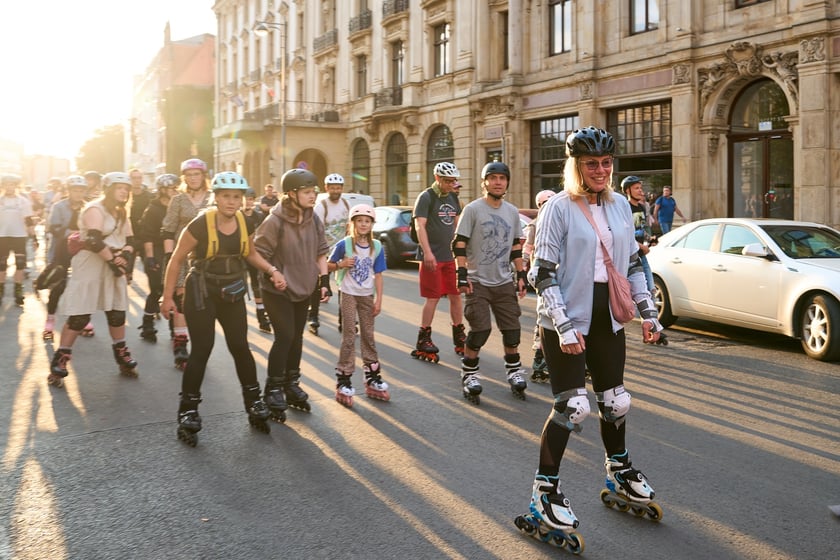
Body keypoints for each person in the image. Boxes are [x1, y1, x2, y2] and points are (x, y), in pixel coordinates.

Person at [521, 127, 663, 539]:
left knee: (616, 401)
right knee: (572, 407)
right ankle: (544, 493)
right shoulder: (559, 208)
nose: (600, 170)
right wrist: (563, 325)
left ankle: (619, 470)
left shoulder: (620, 204)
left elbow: (633, 265)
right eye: (591, 164)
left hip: (609, 317)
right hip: (566, 319)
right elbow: (541, 273)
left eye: (605, 163)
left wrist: (648, 313)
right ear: (576, 166)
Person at [161, 171, 281, 446]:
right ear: (216, 197)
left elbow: (250, 253)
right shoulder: (200, 223)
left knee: (240, 347)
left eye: (236, 197)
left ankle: (254, 402)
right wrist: (166, 298)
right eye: (226, 196)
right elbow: (177, 259)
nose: (231, 202)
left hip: (232, 291)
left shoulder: (244, 220)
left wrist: (272, 270)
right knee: (202, 349)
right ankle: (188, 410)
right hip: (201, 292)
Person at [48, 172, 139, 387]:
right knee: (80, 316)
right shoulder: (94, 209)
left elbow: (131, 239)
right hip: (90, 264)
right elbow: (94, 240)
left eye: (127, 188)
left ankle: (121, 354)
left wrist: (125, 255)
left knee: (117, 313)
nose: (124, 192)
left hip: (113, 261)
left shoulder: (121, 212)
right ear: (109, 189)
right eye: (119, 188)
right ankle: (61, 359)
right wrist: (114, 261)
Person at [253, 168, 331, 420]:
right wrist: (273, 273)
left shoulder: (313, 218)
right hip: (278, 289)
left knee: (297, 337)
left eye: (314, 192)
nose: (313, 196)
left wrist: (325, 281)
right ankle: (273, 387)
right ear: (291, 194)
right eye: (308, 192)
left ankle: (290, 383)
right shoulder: (274, 221)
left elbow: (321, 251)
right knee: (284, 336)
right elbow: (257, 254)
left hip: (304, 286)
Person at [452, 161, 528, 404]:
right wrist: (461, 274)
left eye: (502, 178)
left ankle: (514, 372)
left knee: (512, 331)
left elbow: (516, 246)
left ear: (507, 182)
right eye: (493, 178)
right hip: (477, 280)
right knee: (480, 330)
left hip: (503, 280)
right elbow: (459, 243)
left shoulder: (512, 211)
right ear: (484, 182)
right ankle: (469, 375)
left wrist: (521, 275)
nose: (497, 182)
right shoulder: (473, 209)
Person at [327, 204, 388, 407]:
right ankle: (343, 377)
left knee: (369, 335)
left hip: (366, 295)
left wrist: (379, 299)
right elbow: (326, 265)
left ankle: (372, 376)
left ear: (371, 225)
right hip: (348, 293)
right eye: (360, 221)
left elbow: (378, 275)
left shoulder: (376, 246)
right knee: (349, 335)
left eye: (367, 221)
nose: (363, 224)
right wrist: (341, 264)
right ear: (352, 223)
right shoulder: (344, 244)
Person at [161, 158, 212, 370]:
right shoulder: (178, 200)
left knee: (204, 303)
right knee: (182, 299)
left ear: (203, 176)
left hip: (208, 257)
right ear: (184, 178)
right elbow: (168, 229)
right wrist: (169, 256)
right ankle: (181, 345)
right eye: (189, 175)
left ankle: (200, 345)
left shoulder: (213, 198)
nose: (193, 178)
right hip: (183, 256)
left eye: (197, 174)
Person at [411, 161, 465, 362]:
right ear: (438, 179)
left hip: (450, 257)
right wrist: (427, 253)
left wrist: (463, 252)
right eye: (448, 181)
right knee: (432, 298)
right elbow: (420, 227)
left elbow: (458, 225)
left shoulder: (453, 196)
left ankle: (459, 335)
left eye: (454, 181)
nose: (452, 184)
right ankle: (423, 337)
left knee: (456, 295)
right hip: (431, 257)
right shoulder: (426, 197)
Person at [40, 176, 87, 340]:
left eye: (81, 190)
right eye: (75, 190)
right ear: (69, 191)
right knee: (58, 288)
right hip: (60, 251)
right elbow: (54, 229)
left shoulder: (88, 207)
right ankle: (50, 322)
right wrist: (77, 234)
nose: (79, 193)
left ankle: (82, 321)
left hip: (82, 253)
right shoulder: (59, 206)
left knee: (81, 287)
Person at [135, 173, 180, 342]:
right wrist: (151, 258)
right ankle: (147, 325)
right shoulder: (153, 209)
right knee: (157, 290)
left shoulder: (178, 206)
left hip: (174, 250)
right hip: (156, 251)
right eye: (171, 188)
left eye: (176, 188)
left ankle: (174, 329)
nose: (175, 191)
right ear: (162, 190)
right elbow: (147, 236)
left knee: (176, 291)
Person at [309, 172, 350, 335]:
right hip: (323, 250)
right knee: (318, 283)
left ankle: (345, 319)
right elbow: (315, 229)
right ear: (326, 188)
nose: (335, 191)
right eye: (332, 188)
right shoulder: (321, 206)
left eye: (338, 188)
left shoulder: (346, 204)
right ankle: (313, 316)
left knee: (344, 284)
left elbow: (348, 226)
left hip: (340, 248)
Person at [523, 189, 556, 382]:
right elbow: (528, 246)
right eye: (545, 203)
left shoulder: (563, 221)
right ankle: (539, 361)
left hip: (562, 275)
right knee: (544, 318)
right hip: (543, 277)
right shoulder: (535, 225)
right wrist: (524, 264)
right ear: (540, 206)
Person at [0, 174, 35, 306]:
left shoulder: (23, 201)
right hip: (2, 236)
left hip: (19, 236)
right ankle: (0, 290)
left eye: (13, 184)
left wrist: (35, 238)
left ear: (16, 186)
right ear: (3, 186)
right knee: (1, 266)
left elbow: (28, 220)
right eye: (7, 184)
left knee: (20, 265)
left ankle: (18, 291)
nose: (10, 187)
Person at [241, 186, 271, 332]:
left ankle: (262, 317)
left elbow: (263, 235)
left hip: (254, 254)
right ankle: (239, 320)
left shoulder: (258, 216)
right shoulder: (236, 216)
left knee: (257, 285)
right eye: (246, 199)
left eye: (251, 199)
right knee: (239, 287)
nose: (248, 202)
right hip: (238, 255)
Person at [127, 168, 153, 278]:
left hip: (145, 237)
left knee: (150, 269)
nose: (137, 180)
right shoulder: (126, 196)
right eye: (134, 178)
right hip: (129, 237)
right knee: (126, 270)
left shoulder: (149, 196)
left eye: (139, 177)